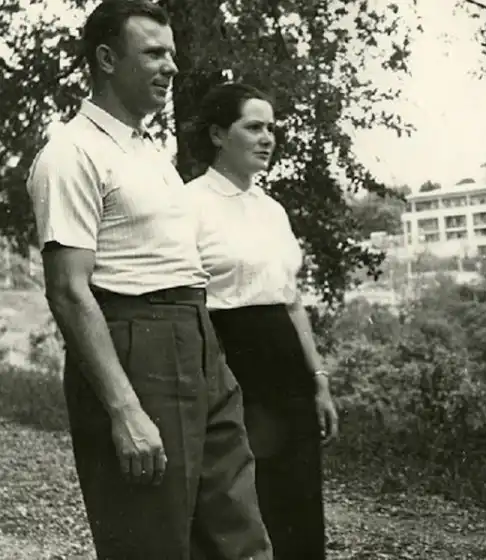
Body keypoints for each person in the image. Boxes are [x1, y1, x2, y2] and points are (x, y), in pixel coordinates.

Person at [26, 2, 272, 559]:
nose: (171, 67)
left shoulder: (149, 150)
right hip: (136, 346)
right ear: (107, 59)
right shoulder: (71, 154)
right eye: (155, 53)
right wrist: (124, 409)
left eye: (172, 54)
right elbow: (68, 290)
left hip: (197, 339)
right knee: (151, 542)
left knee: (237, 536)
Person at [186, 82, 339, 560]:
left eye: (271, 128)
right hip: (229, 360)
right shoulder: (188, 205)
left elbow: (290, 300)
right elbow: (187, 300)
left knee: (297, 496)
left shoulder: (272, 211)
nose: (267, 138)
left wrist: (318, 380)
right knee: (242, 499)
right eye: (253, 127)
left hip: (286, 364)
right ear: (217, 134)